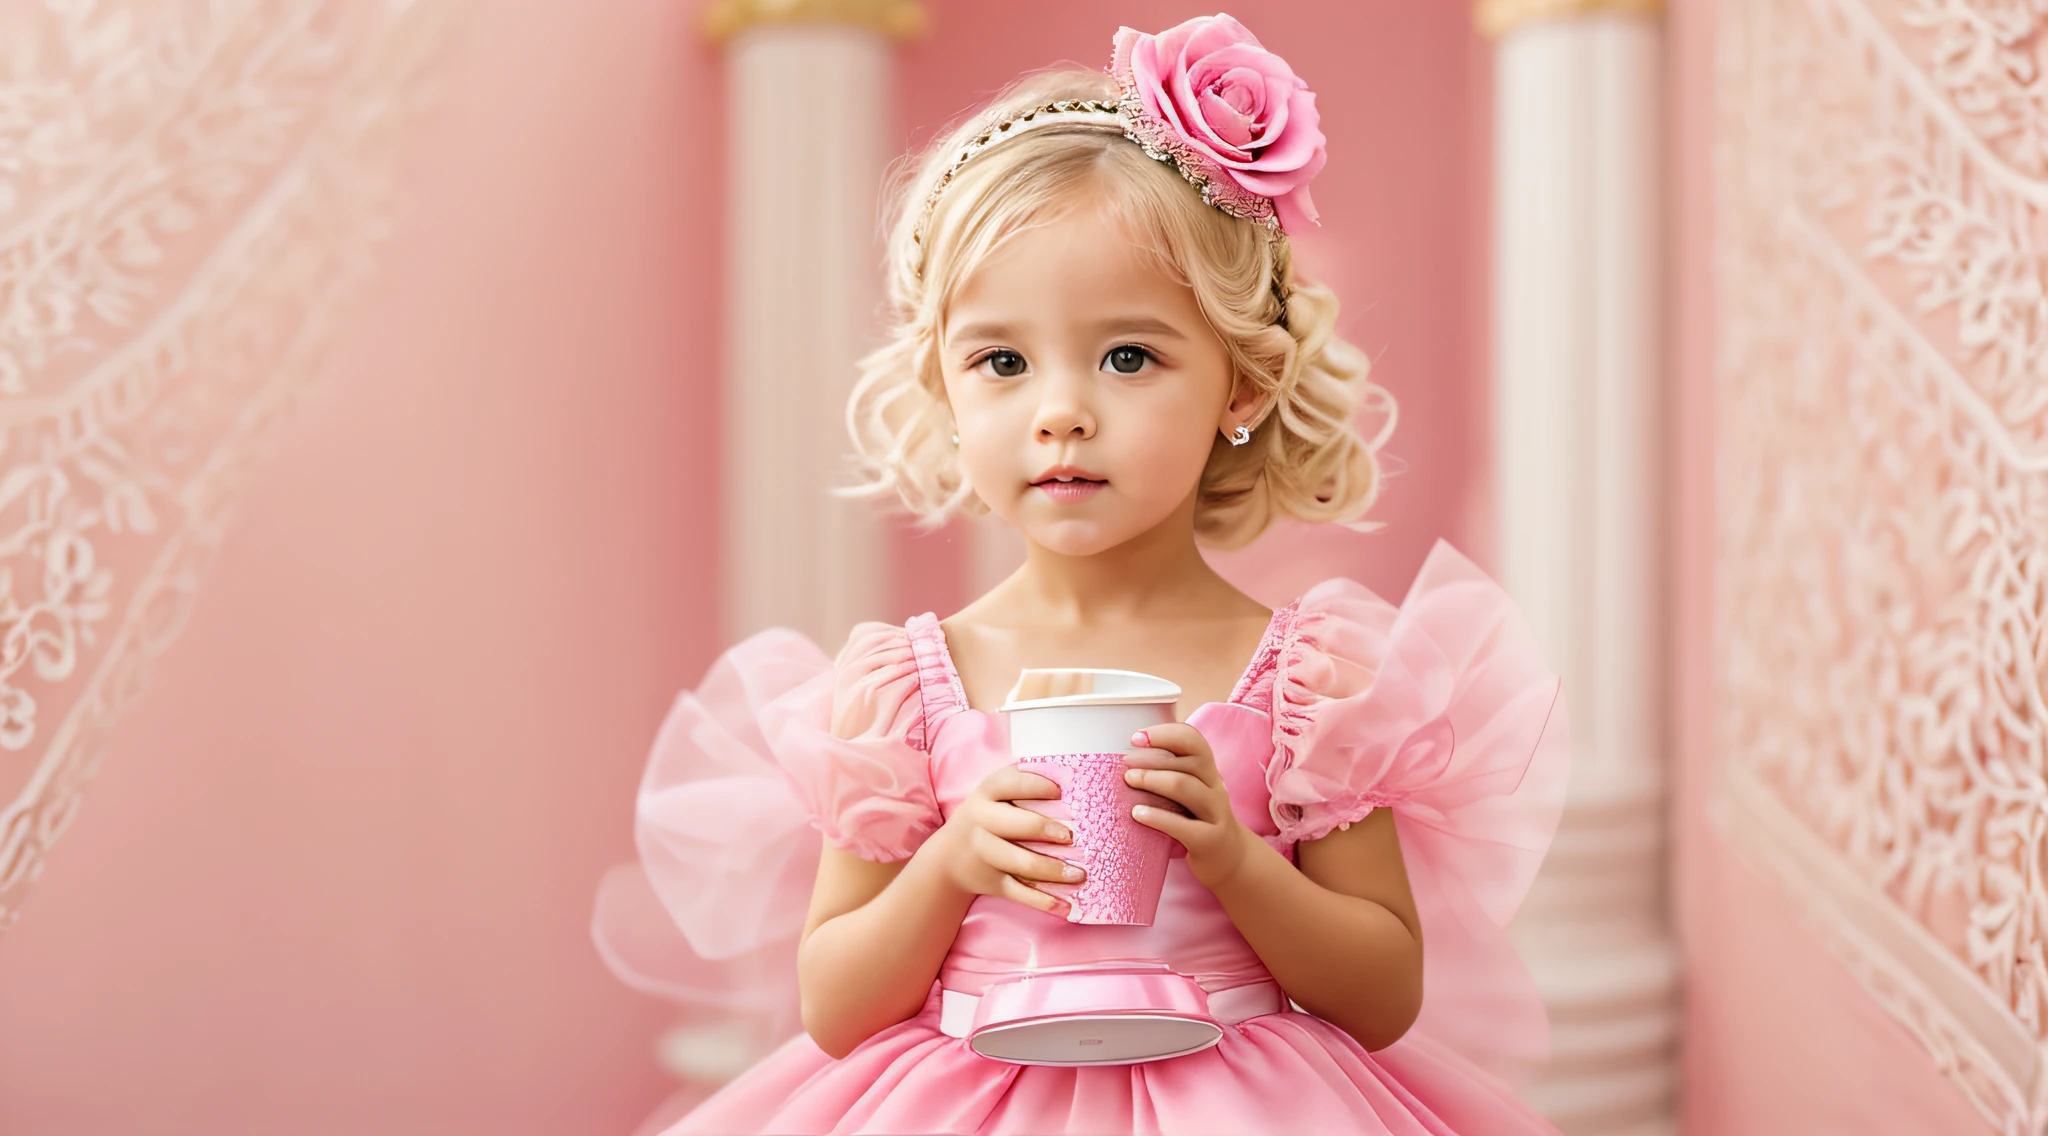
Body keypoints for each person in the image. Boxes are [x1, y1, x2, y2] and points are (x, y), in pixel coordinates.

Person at [595, 14, 1571, 1134]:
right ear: (947, 394)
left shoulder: (1312, 681)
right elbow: (833, 1003)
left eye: (1127, 356)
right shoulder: (906, 688)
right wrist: (951, 863)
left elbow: (1383, 991)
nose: (1060, 410)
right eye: (1002, 361)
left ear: (1238, 387)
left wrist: (1236, 862)